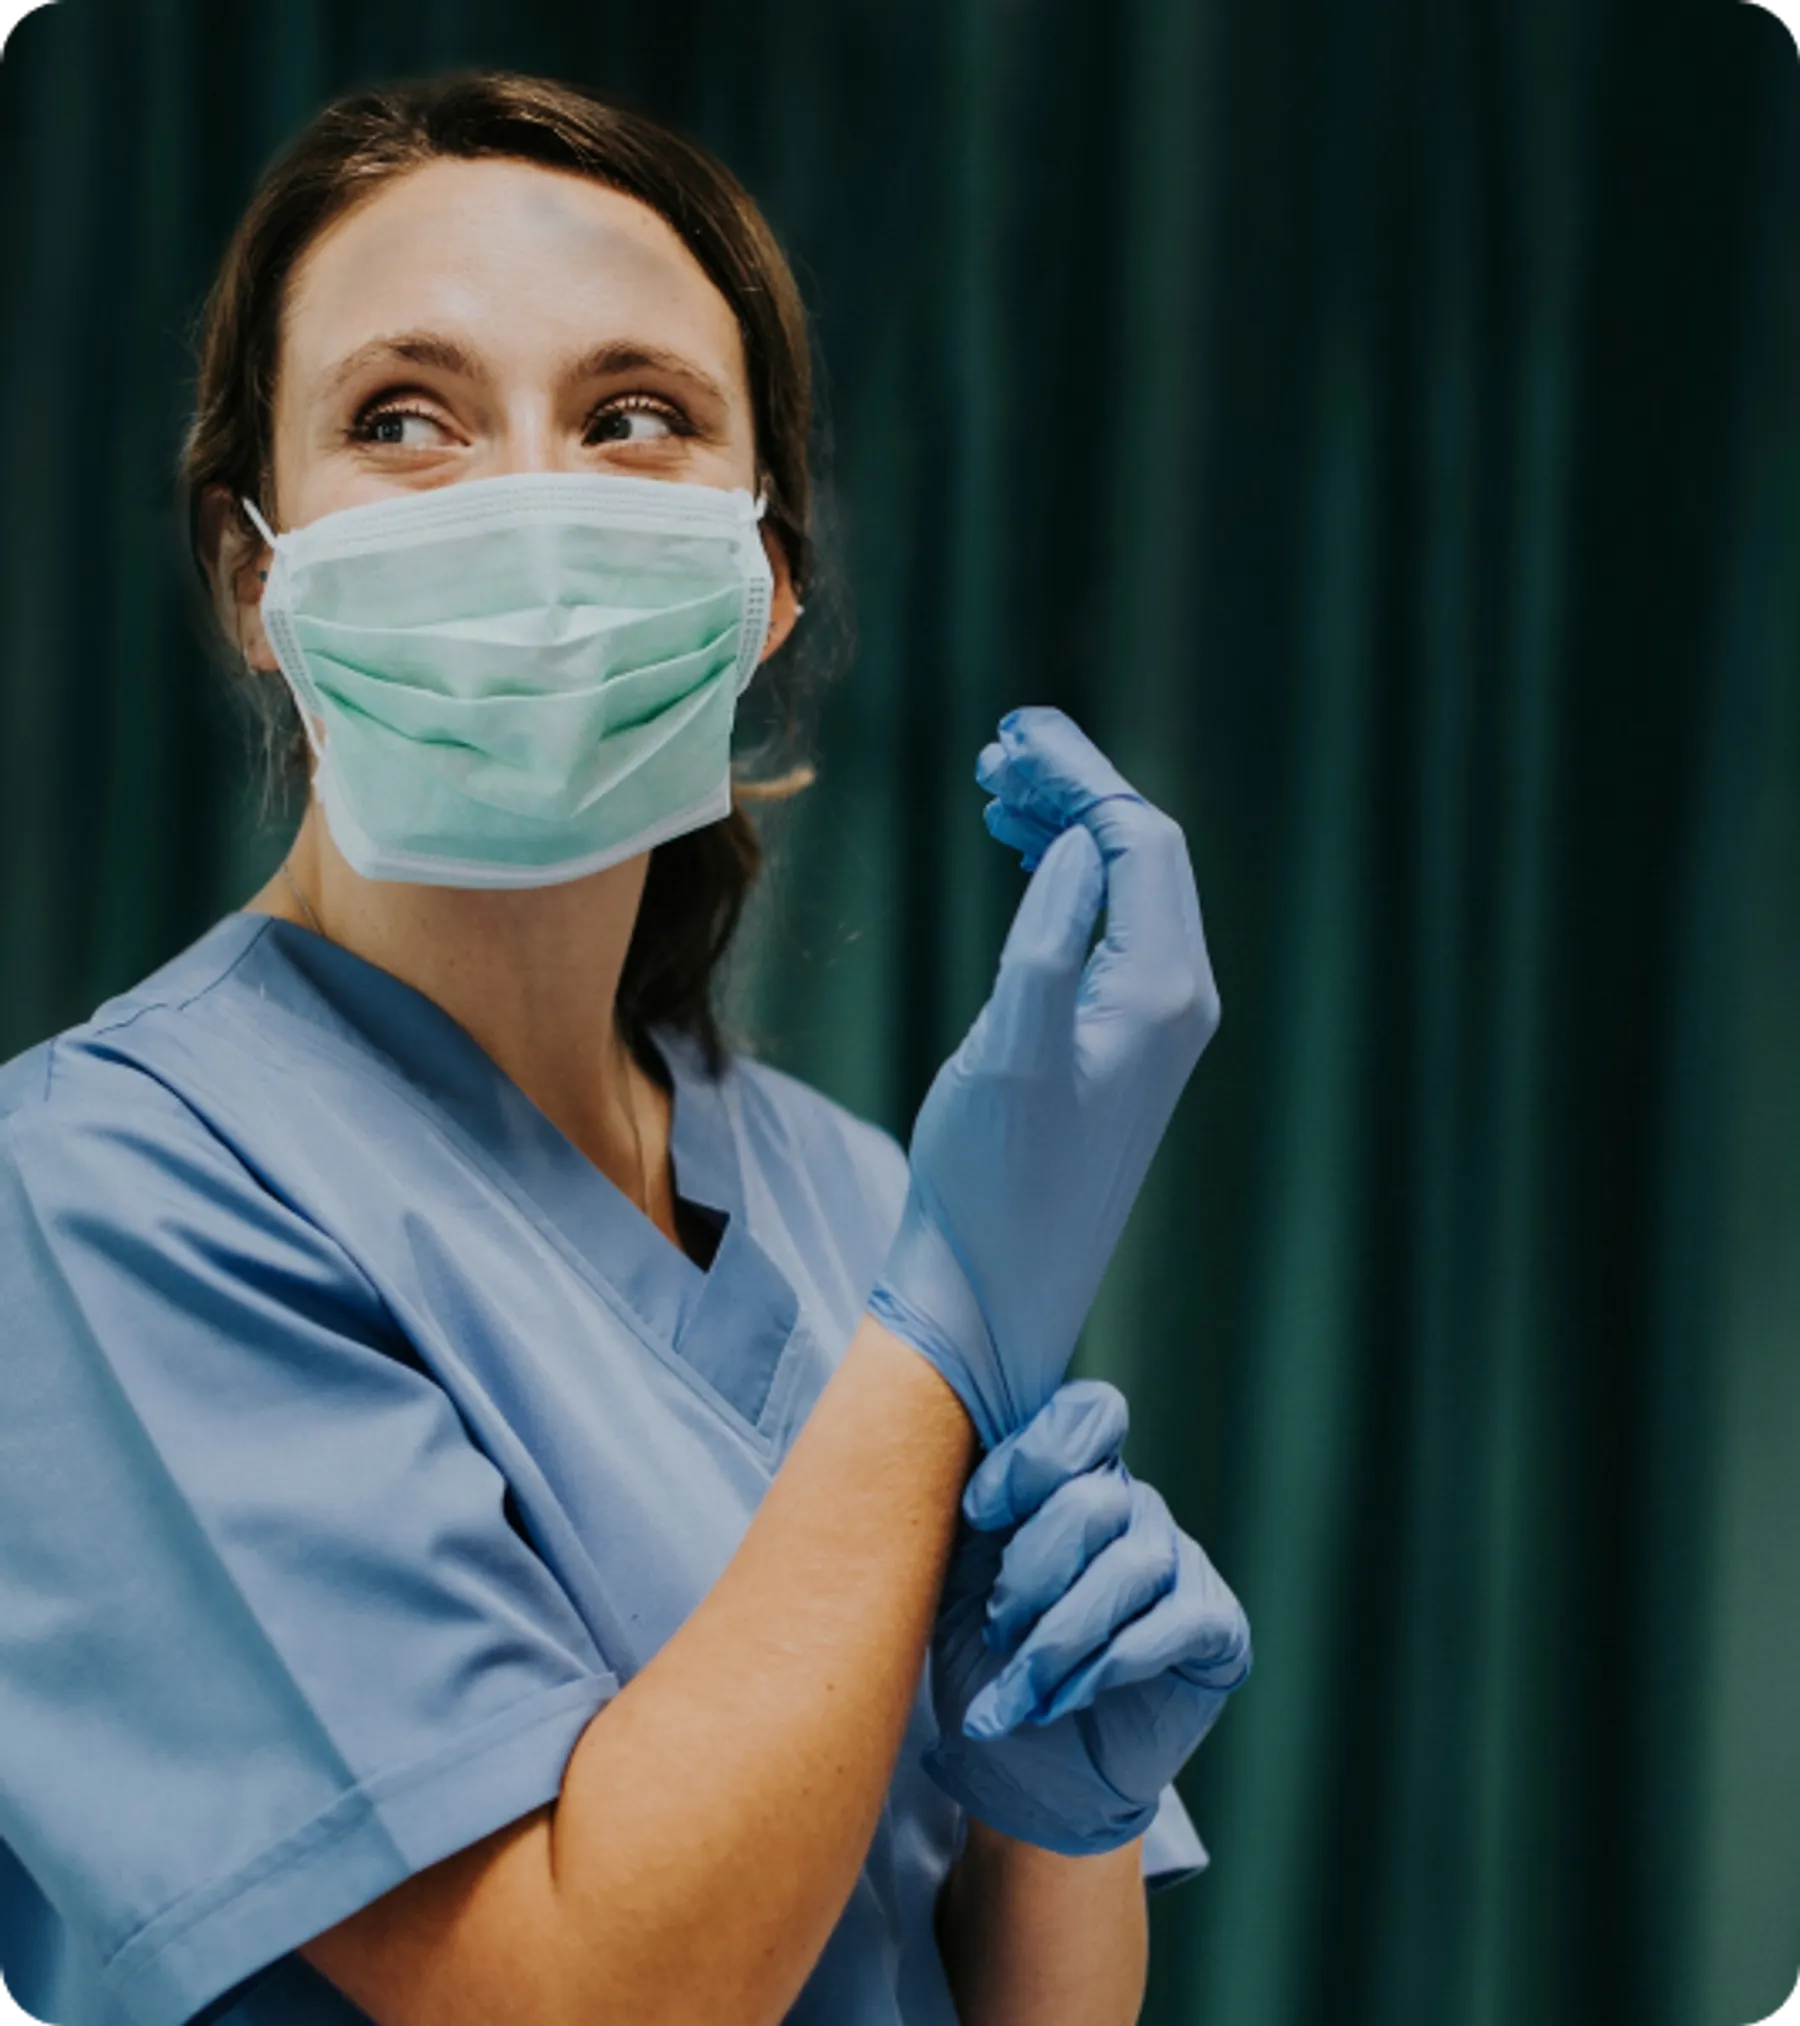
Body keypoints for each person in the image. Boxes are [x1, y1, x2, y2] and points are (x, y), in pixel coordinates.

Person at [0, 70, 1250, 2026]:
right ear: (257, 574)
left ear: (767, 576)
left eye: (631, 414)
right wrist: (939, 1335)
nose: (525, 501)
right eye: (402, 416)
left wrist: (1060, 1815)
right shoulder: (92, 1193)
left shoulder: (858, 1196)